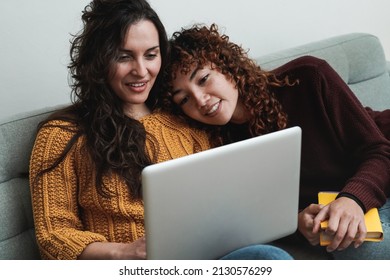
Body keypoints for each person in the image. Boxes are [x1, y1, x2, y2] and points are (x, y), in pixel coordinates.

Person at [29, 0, 292, 260]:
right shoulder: (62, 134)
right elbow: (54, 236)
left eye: (151, 55)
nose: (142, 71)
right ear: (99, 61)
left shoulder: (185, 121)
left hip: (201, 259)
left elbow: (221, 207)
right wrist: (122, 252)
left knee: (269, 257)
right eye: (124, 56)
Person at [160, 23, 390, 259]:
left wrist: (352, 199)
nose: (200, 100)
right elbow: (253, 216)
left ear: (226, 65)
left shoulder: (308, 77)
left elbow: (379, 151)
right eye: (184, 99)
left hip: (375, 172)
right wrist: (296, 221)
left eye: (203, 79)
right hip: (334, 210)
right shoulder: (212, 146)